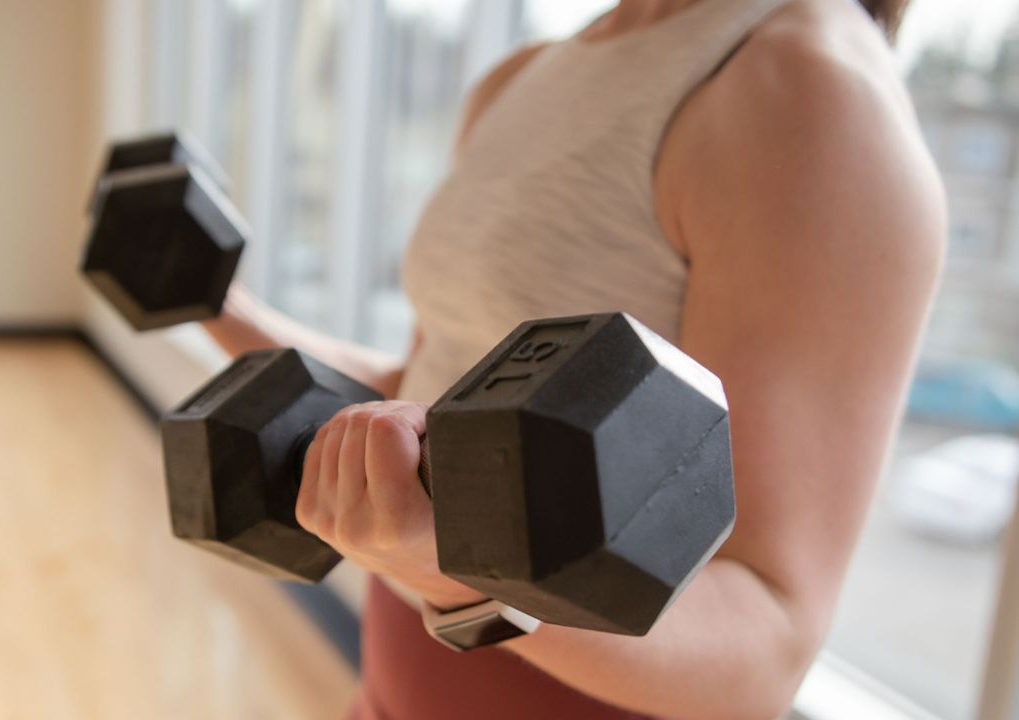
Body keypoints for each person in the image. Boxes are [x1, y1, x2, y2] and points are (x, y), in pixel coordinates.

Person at [201, 0, 944, 717]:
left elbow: (767, 645)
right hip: (395, 684)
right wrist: (218, 305)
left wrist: (457, 577)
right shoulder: (526, 75)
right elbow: (433, 401)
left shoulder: (810, 98)